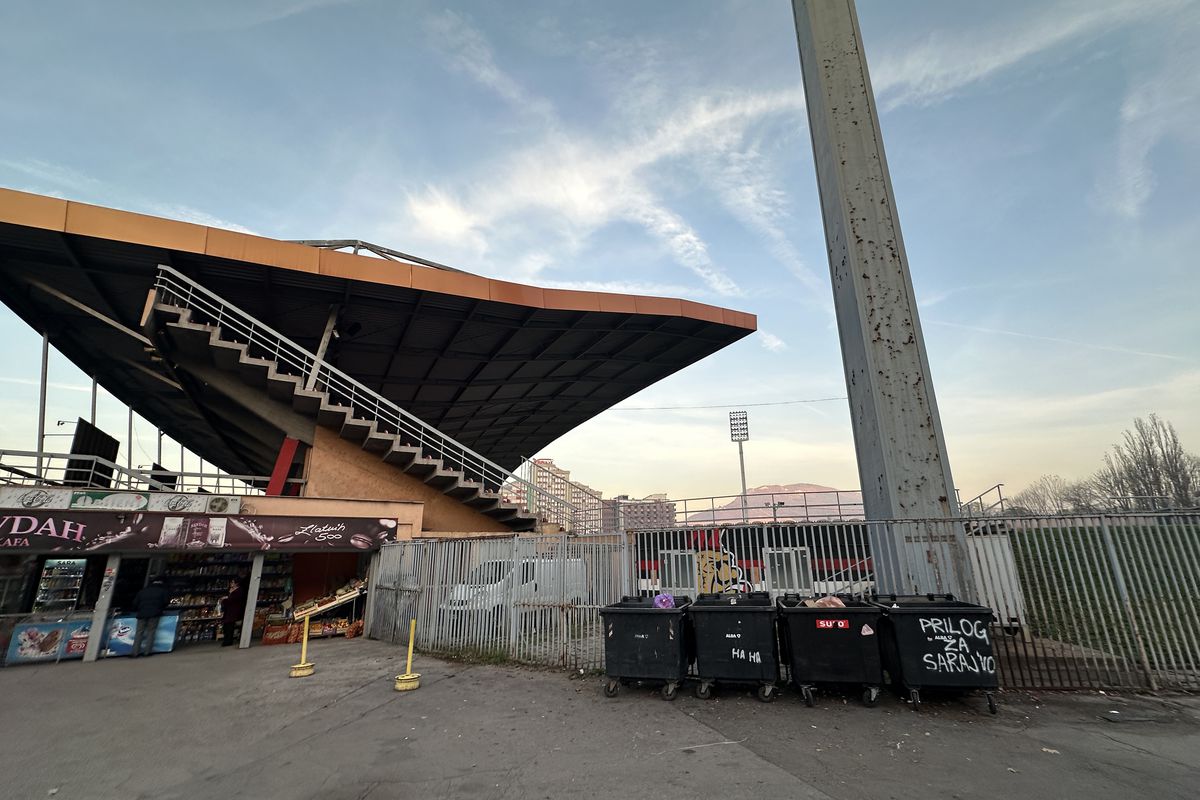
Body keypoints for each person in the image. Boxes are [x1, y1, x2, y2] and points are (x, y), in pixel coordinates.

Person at [131, 575, 170, 658]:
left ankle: (135, 653)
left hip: (142, 614)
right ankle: (147, 652)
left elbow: (135, 603)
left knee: (139, 633)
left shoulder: (142, 591)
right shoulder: (163, 591)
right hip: (155, 613)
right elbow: (166, 602)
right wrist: (160, 608)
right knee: (151, 632)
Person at [220, 578, 248, 647]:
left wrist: (224, 600)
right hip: (230, 611)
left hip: (233, 611)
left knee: (229, 626)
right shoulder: (233, 590)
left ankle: (228, 641)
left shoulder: (238, 591)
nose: (231, 584)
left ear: (236, 583)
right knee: (227, 626)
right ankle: (227, 640)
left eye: (232, 582)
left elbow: (231, 600)